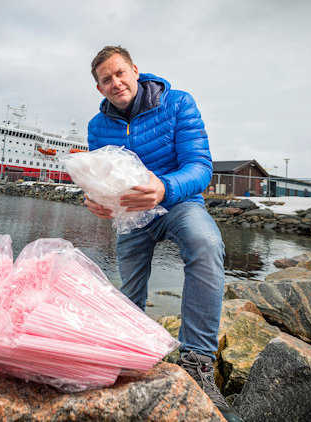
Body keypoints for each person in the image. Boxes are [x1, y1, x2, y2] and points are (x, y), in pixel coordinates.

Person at [84, 46, 242, 421]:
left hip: (177, 203)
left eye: (120, 73)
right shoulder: (97, 126)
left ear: (135, 71)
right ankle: (131, 352)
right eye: (106, 79)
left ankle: (197, 363)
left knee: (205, 243)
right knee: (129, 290)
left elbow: (200, 167)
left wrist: (164, 188)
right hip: (131, 216)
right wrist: (93, 200)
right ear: (99, 88)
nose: (115, 82)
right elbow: (96, 179)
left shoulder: (178, 103)